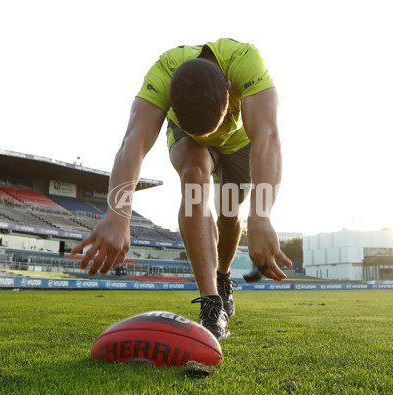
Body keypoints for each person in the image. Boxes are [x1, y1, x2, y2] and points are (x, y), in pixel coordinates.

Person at [71, 38, 292, 340]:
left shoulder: (245, 61)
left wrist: (262, 217)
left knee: (229, 213)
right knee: (194, 176)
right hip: (191, 145)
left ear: (230, 88)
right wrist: (118, 213)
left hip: (239, 144)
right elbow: (132, 142)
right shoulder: (163, 72)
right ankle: (211, 302)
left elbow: (267, 136)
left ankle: (223, 277)